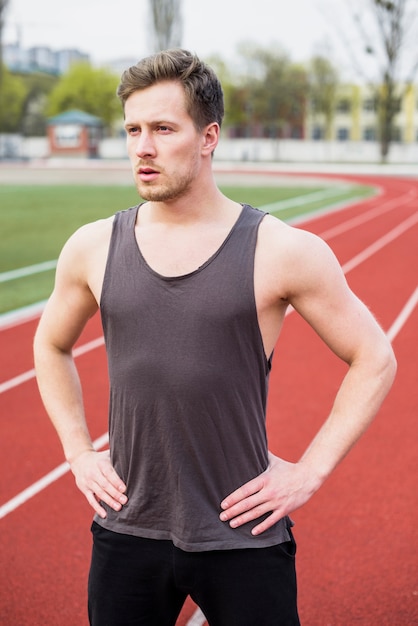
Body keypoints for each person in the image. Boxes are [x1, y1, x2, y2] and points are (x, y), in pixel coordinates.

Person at [33, 49, 396, 626]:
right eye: (132, 129)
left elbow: (374, 356)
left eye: (162, 129)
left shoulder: (283, 250)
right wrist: (78, 453)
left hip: (242, 531)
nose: (142, 148)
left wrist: (309, 471)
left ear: (208, 137)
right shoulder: (93, 246)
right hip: (127, 528)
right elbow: (50, 345)